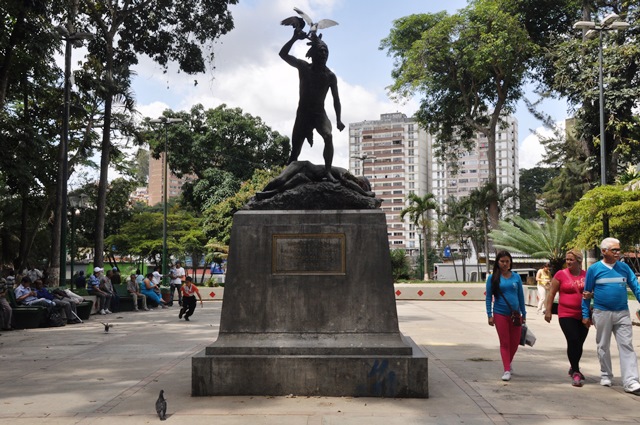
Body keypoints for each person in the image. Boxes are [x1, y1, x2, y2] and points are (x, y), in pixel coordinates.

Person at [280, 27, 344, 181]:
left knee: (328, 136)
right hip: (303, 114)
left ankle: (327, 171)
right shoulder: (304, 67)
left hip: (319, 114)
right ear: (313, 53)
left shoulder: (330, 76)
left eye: (326, 52)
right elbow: (283, 54)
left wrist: (338, 119)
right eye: (321, 51)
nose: (323, 54)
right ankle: (284, 180)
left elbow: (336, 99)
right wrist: (294, 38)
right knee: (295, 151)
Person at [582, 237, 640, 395]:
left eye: (618, 249)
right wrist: (585, 314)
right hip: (602, 313)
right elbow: (586, 293)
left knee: (627, 346)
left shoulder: (624, 268)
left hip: (622, 313)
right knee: (603, 345)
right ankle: (606, 374)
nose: (617, 252)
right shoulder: (594, 270)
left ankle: (631, 381)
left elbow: (635, 286)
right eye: (614, 250)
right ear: (603, 251)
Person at [545, 249, 588, 387]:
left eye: (571, 259)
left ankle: (573, 366)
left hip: (583, 314)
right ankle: (576, 371)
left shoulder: (586, 275)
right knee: (573, 339)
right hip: (566, 314)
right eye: (567, 259)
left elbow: (593, 292)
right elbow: (551, 293)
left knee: (579, 343)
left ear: (579, 261)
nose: (568, 262)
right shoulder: (560, 275)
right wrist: (548, 310)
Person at [486, 250, 526, 381]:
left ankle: (508, 362)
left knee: (514, 343)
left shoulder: (516, 277)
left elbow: (520, 296)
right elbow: (488, 298)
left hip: (515, 315)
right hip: (500, 314)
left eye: (507, 261)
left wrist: (523, 313)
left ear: (510, 262)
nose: (505, 264)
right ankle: (506, 369)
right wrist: (489, 314)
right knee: (505, 343)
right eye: (502, 261)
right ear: (497, 262)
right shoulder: (493, 278)